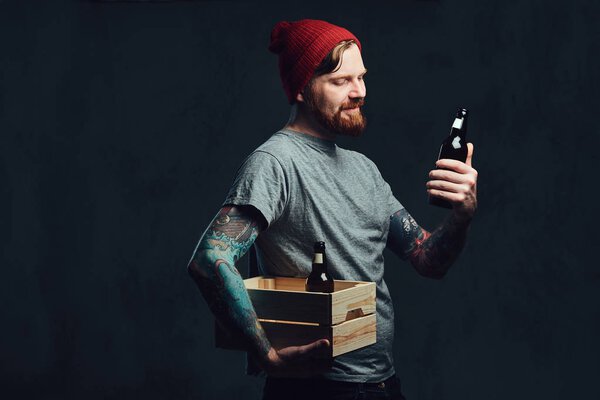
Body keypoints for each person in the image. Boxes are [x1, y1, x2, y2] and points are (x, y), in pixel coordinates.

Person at [187, 19, 478, 400]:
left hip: (382, 385)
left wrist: (462, 214)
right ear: (304, 89)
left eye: (361, 77)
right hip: (316, 391)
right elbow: (210, 259)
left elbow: (427, 259)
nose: (359, 92)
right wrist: (268, 355)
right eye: (342, 81)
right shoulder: (276, 162)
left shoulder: (364, 170)